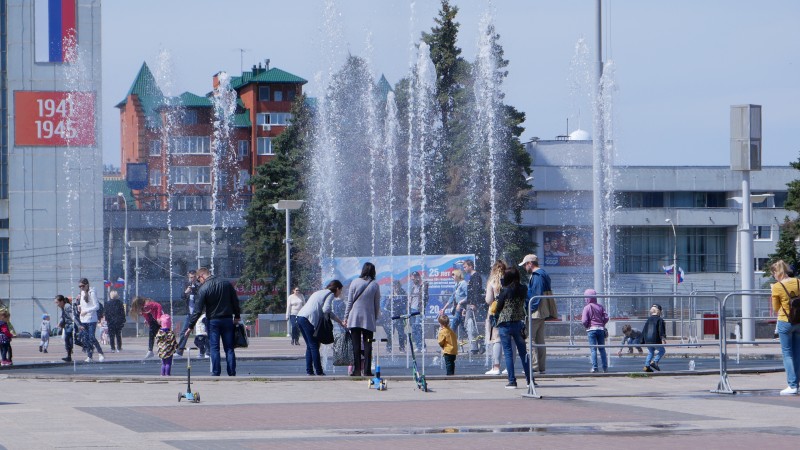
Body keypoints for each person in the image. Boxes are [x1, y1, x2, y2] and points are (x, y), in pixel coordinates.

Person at [184, 267, 242, 377]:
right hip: (227, 319)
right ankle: (232, 373)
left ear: (202, 276)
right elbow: (235, 300)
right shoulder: (226, 284)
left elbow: (197, 310)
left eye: (198, 279)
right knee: (229, 348)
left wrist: (190, 326)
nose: (199, 281)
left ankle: (216, 373)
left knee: (214, 348)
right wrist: (237, 316)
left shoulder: (203, 288)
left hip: (213, 321)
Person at [296, 280, 346, 376]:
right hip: (308, 319)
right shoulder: (330, 294)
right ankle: (319, 371)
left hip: (300, 317)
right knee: (314, 346)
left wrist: (339, 322)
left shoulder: (319, 292)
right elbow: (326, 309)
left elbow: (327, 311)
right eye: (341, 290)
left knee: (310, 346)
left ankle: (309, 371)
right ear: (337, 288)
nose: (340, 293)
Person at [494, 267, 532, 389]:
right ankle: (529, 380)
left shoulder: (505, 291)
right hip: (518, 323)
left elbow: (498, 307)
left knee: (508, 353)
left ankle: (512, 381)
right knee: (523, 353)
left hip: (505, 324)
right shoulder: (523, 289)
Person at [344, 262, 381, 377]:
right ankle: (367, 370)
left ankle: (356, 370)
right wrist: (374, 317)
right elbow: (377, 304)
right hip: (368, 320)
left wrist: (345, 317)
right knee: (368, 344)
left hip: (354, 319)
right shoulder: (374, 285)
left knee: (356, 345)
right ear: (373, 272)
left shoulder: (354, 282)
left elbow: (349, 302)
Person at [771, 259, 800, 395]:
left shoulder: (777, 287)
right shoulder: (798, 282)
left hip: (785, 321)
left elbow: (776, 308)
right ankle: (797, 384)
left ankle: (792, 385)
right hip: (798, 321)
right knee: (797, 353)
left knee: (787, 354)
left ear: (777, 272)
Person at [520, 254, 551, 374]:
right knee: (540, 339)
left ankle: (533, 366)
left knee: (530, 339)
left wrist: (529, 308)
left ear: (530, 264)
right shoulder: (544, 273)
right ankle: (541, 366)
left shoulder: (537, 275)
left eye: (524, 265)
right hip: (543, 310)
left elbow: (536, 295)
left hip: (536, 311)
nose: (524, 268)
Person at [484, 260, 507, 375]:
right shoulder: (509, 280)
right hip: (509, 312)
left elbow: (489, 300)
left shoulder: (492, 282)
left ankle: (496, 367)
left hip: (495, 313)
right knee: (510, 339)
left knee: (496, 339)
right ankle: (509, 367)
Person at [77, 278, 105, 363]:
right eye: (79, 286)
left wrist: (86, 311)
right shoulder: (82, 293)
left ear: (86, 285)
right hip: (83, 319)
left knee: (92, 337)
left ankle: (100, 353)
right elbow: (84, 305)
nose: (81, 288)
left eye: (82, 286)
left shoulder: (92, 292)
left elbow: (97, 306)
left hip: (91, 318)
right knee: (86, 338)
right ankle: (89, 355)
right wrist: (80, 307)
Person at [581, 289, 609, 373]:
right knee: (602, 349)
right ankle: (605, 367)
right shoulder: (600, 306)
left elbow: (584, 321)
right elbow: (606, 317)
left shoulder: (587, 307)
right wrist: (602, 324)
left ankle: (595, 368)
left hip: (591, 330)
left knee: (593, 349)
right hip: (600, 329)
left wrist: (587, 326)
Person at [176, 270, 201, 356]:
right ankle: (179, 351)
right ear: (188, 277)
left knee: (201, 333)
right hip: (189, 314)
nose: (192, 279)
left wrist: (195, 290)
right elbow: (182, 297)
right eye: (191, 277)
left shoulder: (199, 284)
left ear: (196, 277)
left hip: (199, 314)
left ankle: (203, 351)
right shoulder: (186, 285)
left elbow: (202, 296)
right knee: (184, 332)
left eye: (194, 277)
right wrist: (186, 292)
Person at [442, 269, 468, 350]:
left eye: (453, 275)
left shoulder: (463, 284)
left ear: (458, 275)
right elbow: (452, 297)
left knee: (453, 326)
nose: (452, 276)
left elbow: (468, 296)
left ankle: (449, 346)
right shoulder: (456, 285)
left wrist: (460, 303)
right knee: (464, 328)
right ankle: (478, 341)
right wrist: (444, 308)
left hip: (462, 309)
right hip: (457, 309)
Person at [463, 260, 484, 354]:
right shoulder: (472, 277)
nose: (464, 269)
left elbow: (476, 291)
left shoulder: (475, 276)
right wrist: (465, 307)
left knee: (470, 324)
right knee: (470, 325)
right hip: (469, 304)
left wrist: (475, 304)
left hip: (472, 304)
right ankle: (478, 345)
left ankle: (477, 346)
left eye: (465, 267)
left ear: (470, 266)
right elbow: (470, 293)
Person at [642, 304, 667, 373]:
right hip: (655, 340)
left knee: (650, 352)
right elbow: (661, 329)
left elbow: (644, 330)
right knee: (662, 351)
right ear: (659, 312)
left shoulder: (648, 319)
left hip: (648, 340)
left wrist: (643, 340)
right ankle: (654, 361)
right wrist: (663, 338)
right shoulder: (660, 319)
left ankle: (646, 366)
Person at [407, 271, 428, 351]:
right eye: (412, 279)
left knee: (418, 326)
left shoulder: (423, 285)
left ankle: (423, 346)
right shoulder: (413, 287)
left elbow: (425, 296)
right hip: (412, 308)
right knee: (414, 328)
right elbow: (411, 296)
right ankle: (418, 346)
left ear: (418, 277)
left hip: (419, 309)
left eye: (414, 278)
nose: (413, 280)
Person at [55, 295, 75, 362]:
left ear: (62, 301)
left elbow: (73, 316)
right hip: (67, 325)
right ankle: (69, 356)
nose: (56, 304)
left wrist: (77, 324)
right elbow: (62, 317)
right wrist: (60, 323)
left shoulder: (67, 306)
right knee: (68, 340)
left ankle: (87, 347)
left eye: (57, 302)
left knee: (70, 340)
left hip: (71, 325)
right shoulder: (62, 307)